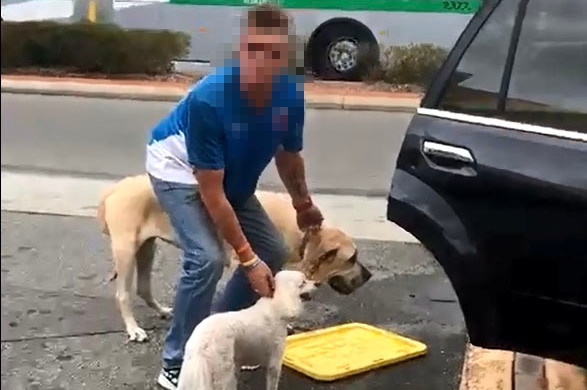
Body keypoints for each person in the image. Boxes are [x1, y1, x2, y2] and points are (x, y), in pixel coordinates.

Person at [145, 4, 324, 389]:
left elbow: (288, 155)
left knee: (273, 252)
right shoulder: (208, 100)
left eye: (273, 53)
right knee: (207, 258)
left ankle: (220, 335)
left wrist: (303, 204)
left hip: (231, 173)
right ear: (240, 49)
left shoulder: (290, 97)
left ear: (286, 58)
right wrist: (246, 259)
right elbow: (212, 194)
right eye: (253, 49)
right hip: (178, 168)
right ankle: (177, 360)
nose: (260, 60)